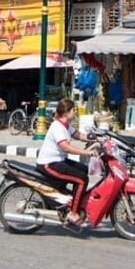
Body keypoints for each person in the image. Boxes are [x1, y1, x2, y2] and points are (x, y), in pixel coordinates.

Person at [37, 98, 98, 229]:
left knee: (83, 169)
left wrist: (98, 138)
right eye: (73, 110)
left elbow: (79, 135)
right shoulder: (57, 127)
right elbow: (66, 148)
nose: (75, 112)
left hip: (58, 160)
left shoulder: (65, 125)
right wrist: (87, 153)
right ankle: (73, 213)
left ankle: (66, 200)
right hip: (49, 164)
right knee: (82, 179)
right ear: (67, 112)